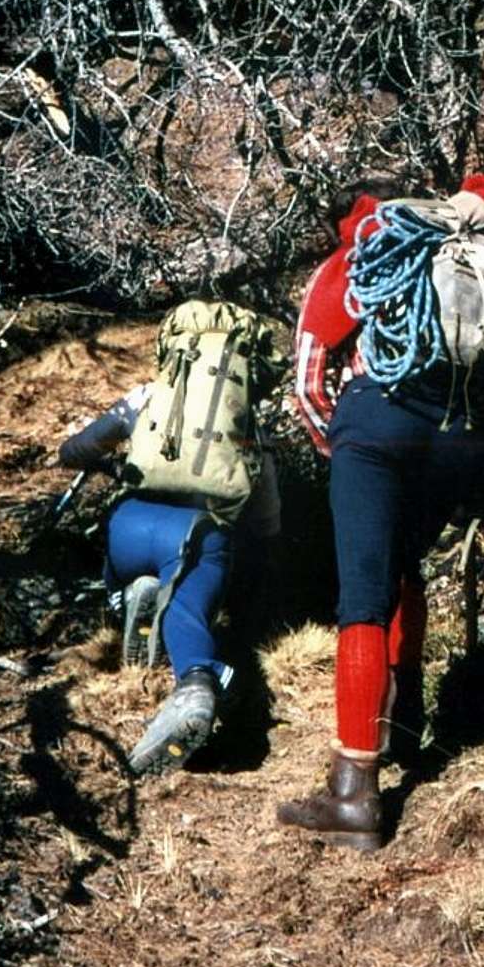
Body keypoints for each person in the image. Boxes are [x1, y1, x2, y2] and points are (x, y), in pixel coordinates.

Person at [278, 172, 484, 853]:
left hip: (378, 427)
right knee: (404, 566)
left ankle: (354, 792)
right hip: (464, 436)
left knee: (363, 597)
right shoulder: (462, 240)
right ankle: (402, 726)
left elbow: (311, 379)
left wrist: (344, 447)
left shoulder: (360, 253)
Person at [59, 306, 284, 778]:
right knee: (188, 609)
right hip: (196, 539)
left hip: (131, 526)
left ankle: (128, 599)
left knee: (123, 551)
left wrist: (118, 469)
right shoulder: (248, 431)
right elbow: (266, 527)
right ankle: (195, 683)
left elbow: (73, 451)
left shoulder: (146, 397)